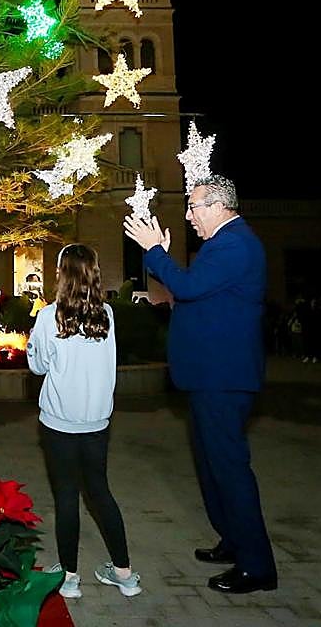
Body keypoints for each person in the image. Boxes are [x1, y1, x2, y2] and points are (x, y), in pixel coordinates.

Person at [123, 174, 277, 595]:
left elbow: (189, 286)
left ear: (219, 206)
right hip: (211, 375)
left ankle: (257, 566)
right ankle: (234, 541)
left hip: (223, 377)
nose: (189, 216)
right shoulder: (222, 246)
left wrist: (155, 251)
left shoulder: (235, 244)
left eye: (194, 207)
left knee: (228, 468)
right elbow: (197, 296)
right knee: (211, 467)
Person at [28, 244, 142, 599]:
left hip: (60, 420)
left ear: (62, 273)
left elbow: (38, 366)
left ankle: (71, 578)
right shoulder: (106, 313)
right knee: (100, 492)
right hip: (96, 421)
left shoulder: (49, 316)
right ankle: (124, 573)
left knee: (66, 496)